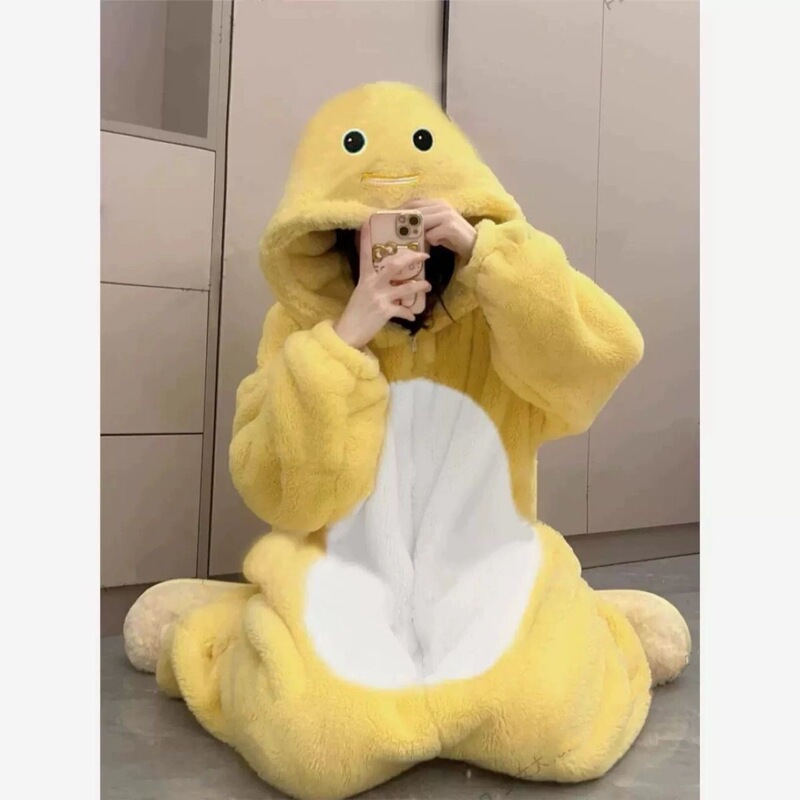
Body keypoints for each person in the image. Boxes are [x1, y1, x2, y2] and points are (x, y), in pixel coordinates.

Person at [124, 82, 691, 800]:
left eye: (415, 225)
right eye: (373, 227)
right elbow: (283, 495)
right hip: (346, 572)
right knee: (316, 751)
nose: (399, 244)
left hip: (484, 565)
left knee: (556, 729)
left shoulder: (497, 309)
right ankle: (225, 625)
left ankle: (594, 623)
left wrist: (489, 255)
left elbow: (600, 359)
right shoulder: (304, 329)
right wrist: (344, 342)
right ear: (335, 234)